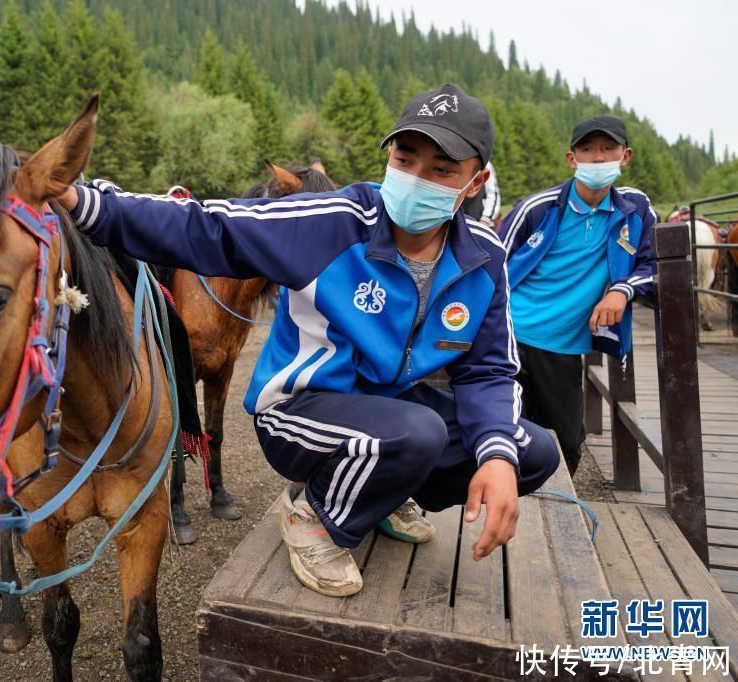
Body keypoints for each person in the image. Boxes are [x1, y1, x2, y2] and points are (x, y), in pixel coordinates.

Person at [55, 84, 559, 597]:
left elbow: (489, 371)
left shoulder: (484, 257)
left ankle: (384, 494)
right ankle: (312, 518)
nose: (416, 179)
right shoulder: (333, 223)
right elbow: (210, 228)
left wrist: (496, 457)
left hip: (393, 414)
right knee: (419, 432)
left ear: (476, 182)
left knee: (530, 450)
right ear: (389, 156)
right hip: (299, 410)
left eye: (442, 171)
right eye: (406, 159)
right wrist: (83, 201)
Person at [498, 115, 656, 476]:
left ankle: (555, 525)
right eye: (587, 149)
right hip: (511, 336)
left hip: (564, 347)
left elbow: (653, 264)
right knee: (503, 434)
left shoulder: (634, 210)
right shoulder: (537, 208)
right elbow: (490, 264)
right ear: (572, 159)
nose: (598, 159)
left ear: (625, 156)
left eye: (607, 149)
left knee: (567, 444)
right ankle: (501, 518)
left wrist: (621, 289)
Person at [462, 161, 501, 228]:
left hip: (480, 220)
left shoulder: (485, 164)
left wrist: (485, 220)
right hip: (460, 220)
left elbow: (492, 193)